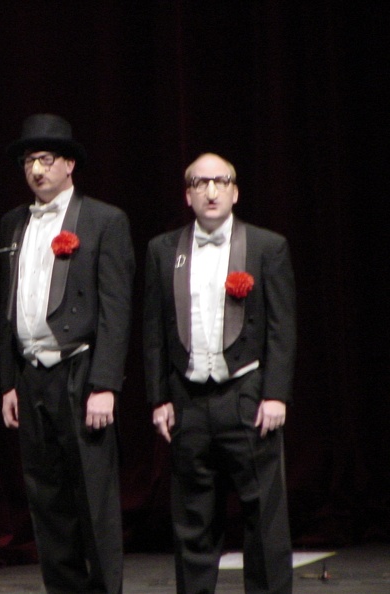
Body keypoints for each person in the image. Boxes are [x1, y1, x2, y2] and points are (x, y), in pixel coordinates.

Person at [144, 152, 296, 593]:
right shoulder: (163, 249)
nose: (211, 191)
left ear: (235, 191)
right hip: (188, 399)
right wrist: (159, 398)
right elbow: (153, 330)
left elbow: (282, 327)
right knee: (192, 518)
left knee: (264, 515)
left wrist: (276, 394)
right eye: (200, 183)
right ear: (187, 194)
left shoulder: (267, 246)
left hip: (246, 395)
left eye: (220, 182)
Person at [0, 113, 135, 594]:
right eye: (28, 161)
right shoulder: (14, 223)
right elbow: (6, 306)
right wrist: (9, 381)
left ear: (69, 164)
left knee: (93, 497)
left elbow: (116, 308)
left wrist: (105, 385)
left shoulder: (102, 220)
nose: (36, 170)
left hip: (80, 370)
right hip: (32, 373)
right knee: (46, 498)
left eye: (45, 159)